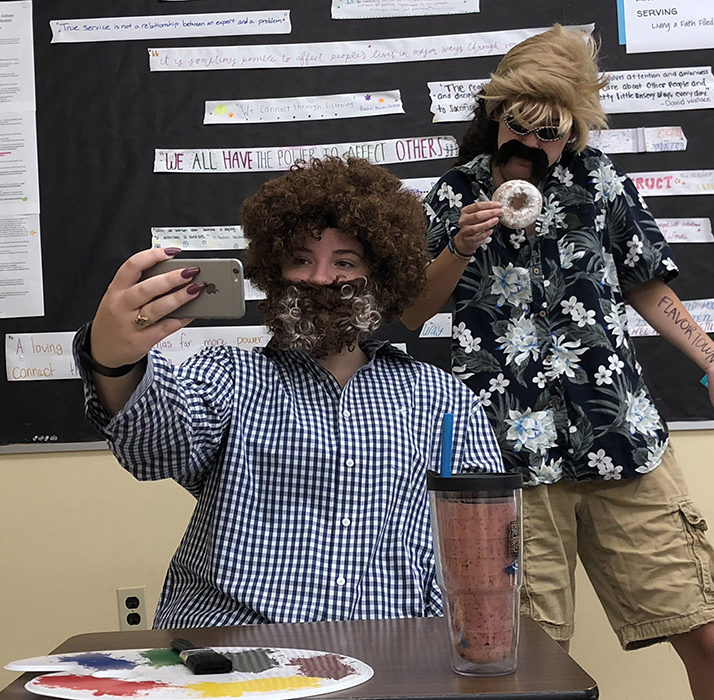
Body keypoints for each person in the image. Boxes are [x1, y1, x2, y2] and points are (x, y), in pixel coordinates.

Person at [402, 25, 714, 700]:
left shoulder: (600, 183)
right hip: (508, 461)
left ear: (573, 135)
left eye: (551, 133)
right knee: (534, 661)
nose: (532, 146)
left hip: (620, 441)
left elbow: (647, 284)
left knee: (706, 629)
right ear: (495, 116)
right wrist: (459, 244)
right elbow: (414, 312)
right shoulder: (454, 193)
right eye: (520, 126)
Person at [73, 156, 503, 629]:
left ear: (381, 276)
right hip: (231, 654)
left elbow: (484, 550)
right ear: (275, 270)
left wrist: (447, 654)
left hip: (394, 655)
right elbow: (154, 447)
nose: (320, 278)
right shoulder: (231, 375)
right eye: (301, 259)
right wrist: (113, 360)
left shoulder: (443, 400)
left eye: (345, 261)